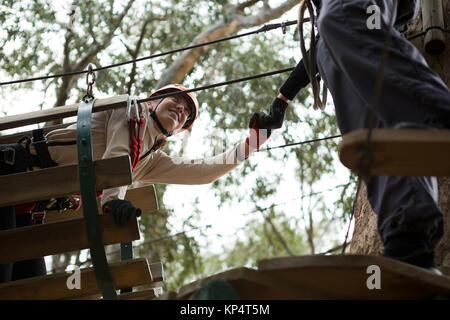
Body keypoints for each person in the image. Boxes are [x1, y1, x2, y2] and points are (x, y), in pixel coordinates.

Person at [250, 0, 450, 272]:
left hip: (359, 16)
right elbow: (324, 36)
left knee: (344, 17)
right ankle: (408, 239)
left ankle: (438, 114)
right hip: (340, 36)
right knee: (376, 139)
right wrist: (282, 101)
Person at [0, 84, 271, 282]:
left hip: (27, 205)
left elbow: (202, 171)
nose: (181, 108)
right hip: (10, 173)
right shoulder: (129, 108)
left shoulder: (148, 159)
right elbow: (117, 154)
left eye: (187, 112)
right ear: (153, 102)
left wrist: (252, 144)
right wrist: (112, 201)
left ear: (178, 130)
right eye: (175, 100)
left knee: (28, 285)